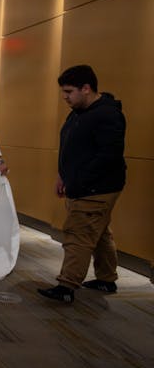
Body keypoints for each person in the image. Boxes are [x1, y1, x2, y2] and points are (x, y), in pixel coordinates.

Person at [38, 65, 126, 304]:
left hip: (96, 188)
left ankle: (66, 286)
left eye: (69, 91)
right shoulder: (78, 112)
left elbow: (108, 155)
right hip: (85, 184)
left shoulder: (107, 115)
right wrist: (62, 175)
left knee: (78, 234)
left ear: (86, 88)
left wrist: (78, 180)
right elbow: (69, 146)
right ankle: (106, 279)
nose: (64, 97)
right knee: (99, 233)